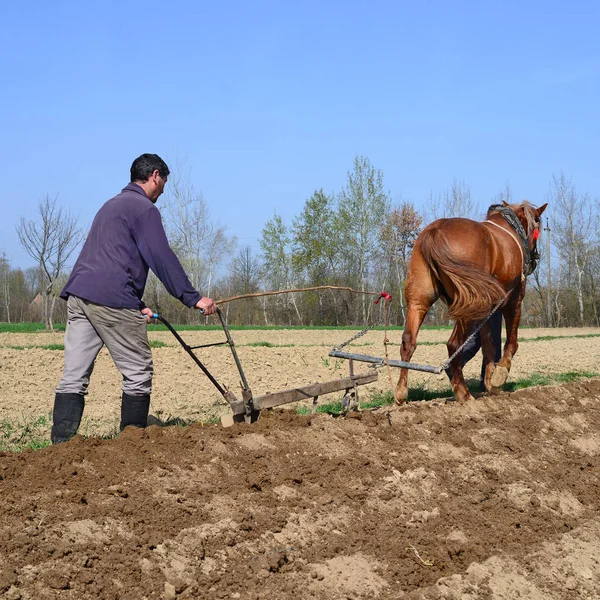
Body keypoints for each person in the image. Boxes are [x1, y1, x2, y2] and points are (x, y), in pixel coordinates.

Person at [51, 153, 216, 444]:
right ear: (155, 175)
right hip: (111, 300)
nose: (163, 190)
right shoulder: (144, 209)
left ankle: (59, 449)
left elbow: (109, 259)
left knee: (73, 376)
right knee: (138, 371)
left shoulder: (110, 205)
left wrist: (137, 303)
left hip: (79, 295)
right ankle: (131, 448)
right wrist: (193, 298)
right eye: (164, 182)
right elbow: (161, 258)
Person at [445, 311, 503, 392]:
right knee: (493, 338)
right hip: (492, 303)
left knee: (475, 337)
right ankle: (490, 382)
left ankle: (455, 363)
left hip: (478, 303)